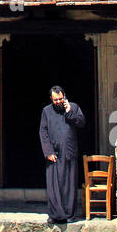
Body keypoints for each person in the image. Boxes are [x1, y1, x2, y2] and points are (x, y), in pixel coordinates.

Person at [39, 85, 87, 223]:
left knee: (69, 185)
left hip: (69, 152)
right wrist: (48, 151)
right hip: (53, 154)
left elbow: (81, 123)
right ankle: (55, 215)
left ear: (64, 96)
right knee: (54, 186)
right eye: (55, 100)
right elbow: (43, 132)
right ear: (51, 99)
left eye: (60, 99)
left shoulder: (73, 107)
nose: (58, 102)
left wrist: (69, 111)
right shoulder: (46, 111)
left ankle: (69, 215)